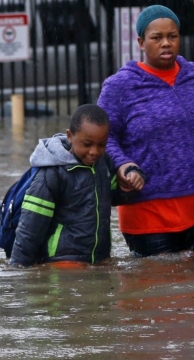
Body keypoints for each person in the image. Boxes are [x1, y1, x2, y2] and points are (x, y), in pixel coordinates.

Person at [97, 4, 194, 257]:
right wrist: (123, 165)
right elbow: (104, 137)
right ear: (141, 42)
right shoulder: (120, 86)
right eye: (157, 38)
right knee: (161, 291)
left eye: (172, 36)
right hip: (148, 216)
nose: (166, 43)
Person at [9, 104, 117, 267]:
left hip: (99, 259)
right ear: (70, 136)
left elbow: (116, 196)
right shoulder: (51, 173)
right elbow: (30, 228)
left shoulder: (103, 164)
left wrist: (130, 179)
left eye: (101, 144)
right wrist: (18, 267)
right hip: (62, 261)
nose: (94, 151)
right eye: (87, 144)